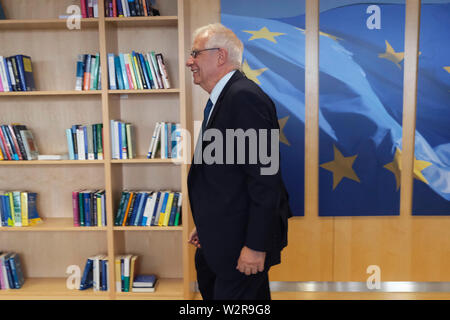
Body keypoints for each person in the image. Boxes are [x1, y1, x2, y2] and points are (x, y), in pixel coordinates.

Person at [186, 23, 292, 300]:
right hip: (221, 239)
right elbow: (225, 175)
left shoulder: (244, 98)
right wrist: (208, 223)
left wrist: (256, 246)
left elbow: (265, 179)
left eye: (195, 53)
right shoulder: (223, 99)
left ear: (220, 56)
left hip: (241, 247)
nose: (189, 61)